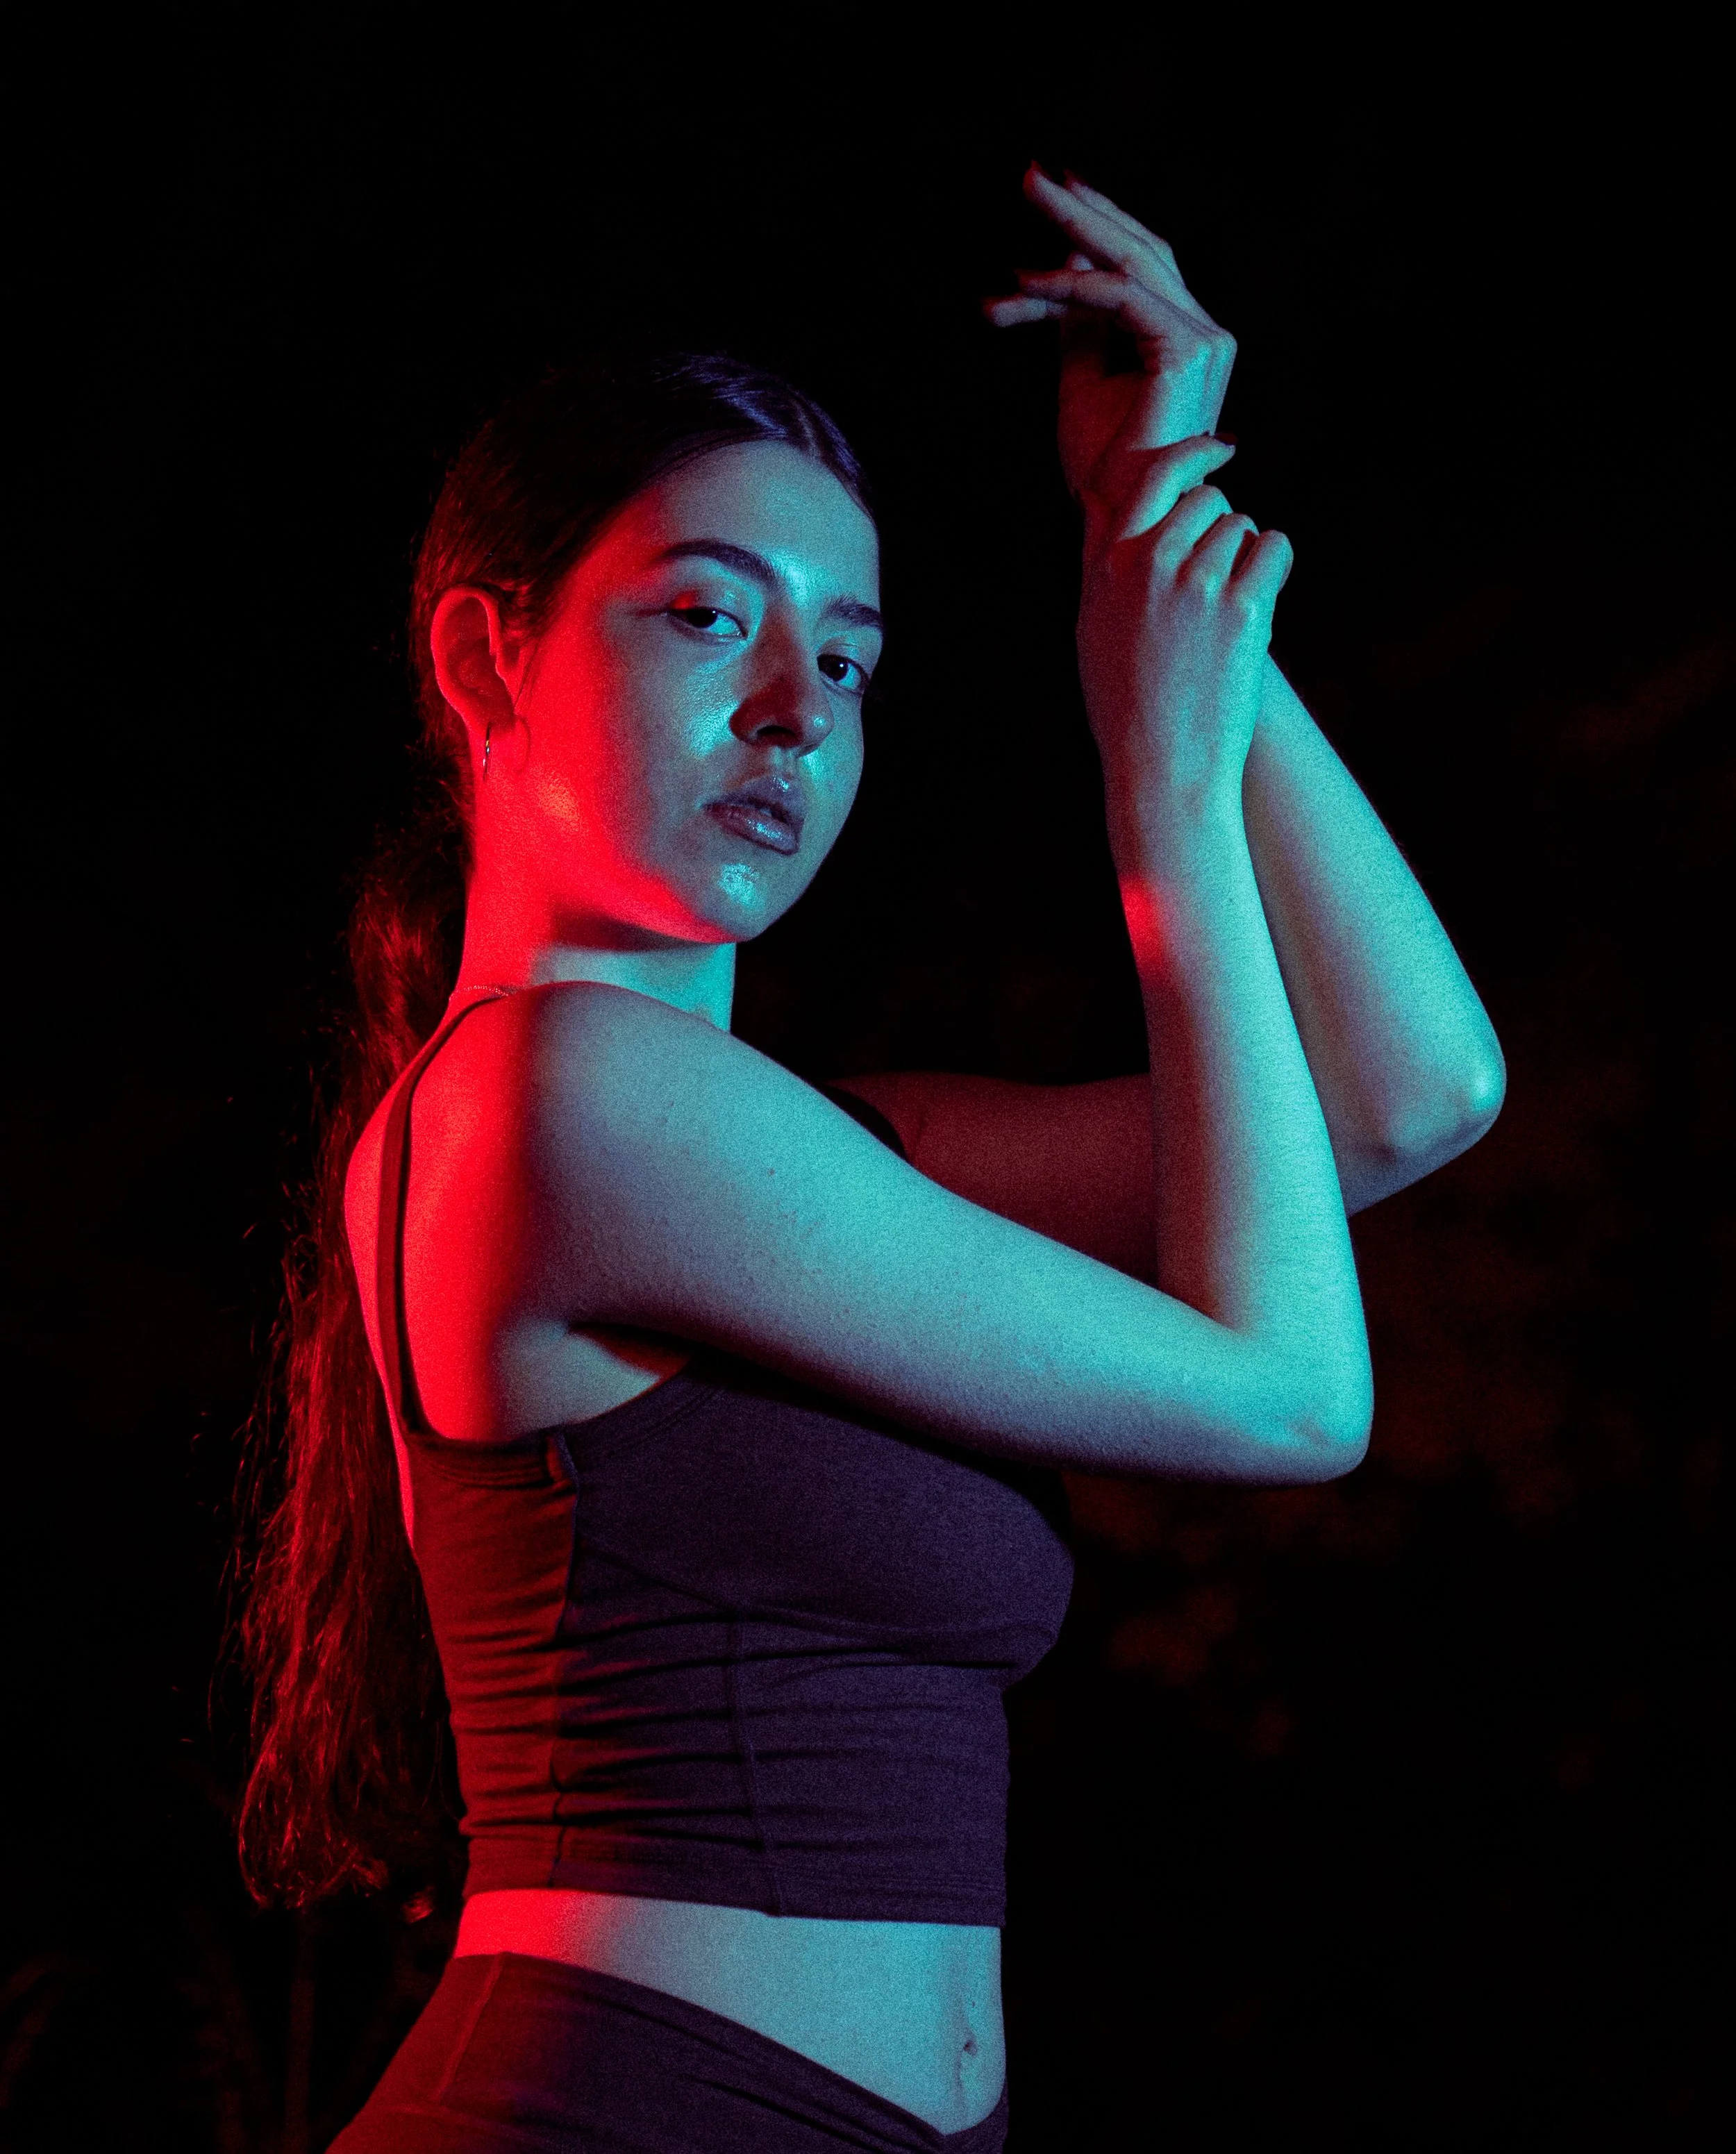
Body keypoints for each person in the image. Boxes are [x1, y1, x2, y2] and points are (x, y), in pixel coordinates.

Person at [239, 167, 1504, 2153]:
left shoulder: (835, 1156)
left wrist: (1147, 542)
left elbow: (1405, 1093)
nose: (789, 709)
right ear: (489, 663)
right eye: (702, 617)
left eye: (844, 660)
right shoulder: (555, 1094)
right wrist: (1154, 774)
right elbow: (1286, 1393)